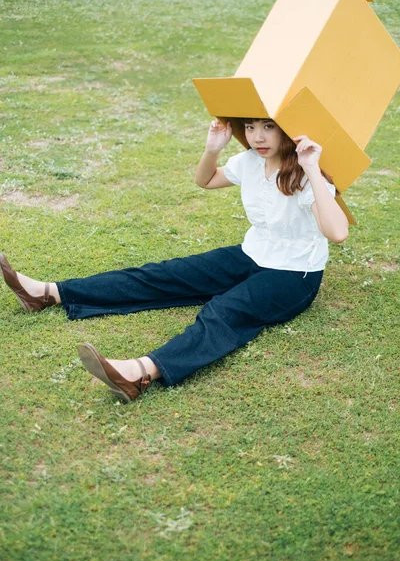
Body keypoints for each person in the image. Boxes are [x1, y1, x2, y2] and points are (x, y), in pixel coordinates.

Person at [0, 118, 349, 402]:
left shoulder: (305, 175)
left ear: (288, 129)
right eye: (250, 126)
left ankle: (140, 373)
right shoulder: (249, 162)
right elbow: (206, 180)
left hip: (293, 274)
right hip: (251, 253)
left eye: (268, 127)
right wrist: (212, 148)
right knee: (165, 274)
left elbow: (337, 232)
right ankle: (49, 293)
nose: (257, 136)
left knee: (224, 312)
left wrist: (312, 168)